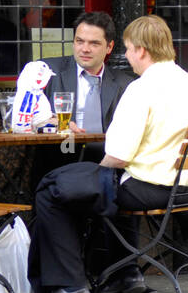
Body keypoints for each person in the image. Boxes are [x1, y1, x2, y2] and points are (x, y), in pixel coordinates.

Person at [26, 16, 188, 293]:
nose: (125, 56)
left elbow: (118, 156)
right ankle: (123, 274)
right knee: (76, 182)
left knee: (53, 186)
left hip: (147, 187)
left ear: (141, 50)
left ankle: (70, 287)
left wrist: (93, 171)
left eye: (127, 49)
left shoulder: (141, 88)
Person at [24, 12, 135, 189]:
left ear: (109, 47)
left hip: (106, 165)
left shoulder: (125, 84)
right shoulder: (47, 72)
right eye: (80, 41)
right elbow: (24, 115)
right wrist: (51, 121)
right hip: (60, 159)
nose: (85, 49)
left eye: (94, 43)